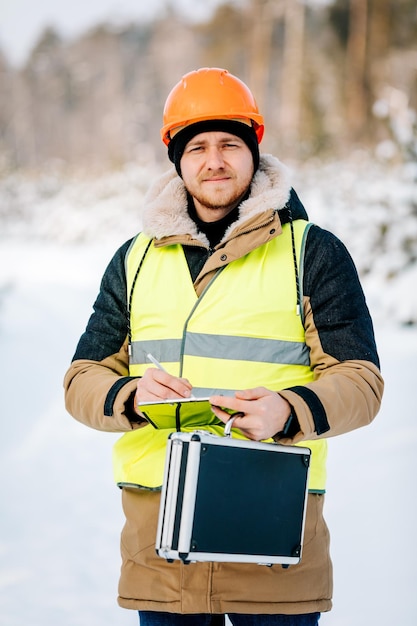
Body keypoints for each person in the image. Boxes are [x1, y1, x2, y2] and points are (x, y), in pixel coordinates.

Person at [64, 67, 384, 625]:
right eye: (199, 147)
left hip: (274, 546)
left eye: (230, 144)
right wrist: (132, 394)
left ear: (254, 152)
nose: (214, 160)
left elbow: (361, 379)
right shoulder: (134, 260)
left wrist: (290, 409)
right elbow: (82, 377)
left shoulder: (312, 252)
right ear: (178, 159)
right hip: (161, 553)